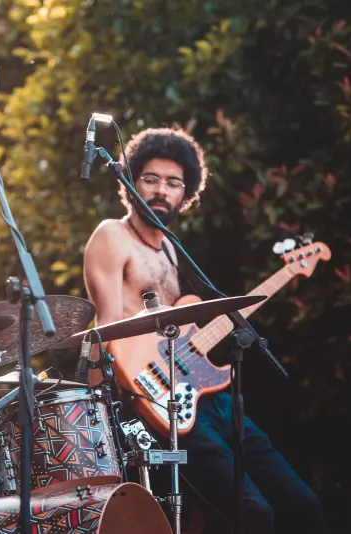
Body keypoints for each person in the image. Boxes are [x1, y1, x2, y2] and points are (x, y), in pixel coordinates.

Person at [82, 128, 320, 533]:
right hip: (157, 400)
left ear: (186, 193)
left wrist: (285, 275)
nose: (161, 190)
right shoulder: (111, 235)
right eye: (151, 179)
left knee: (302, 503)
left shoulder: (170, 249)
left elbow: (181, 330)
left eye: (173, 183)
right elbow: (106, 331)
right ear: (132, 183)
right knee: (254, 514)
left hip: (204, 393)